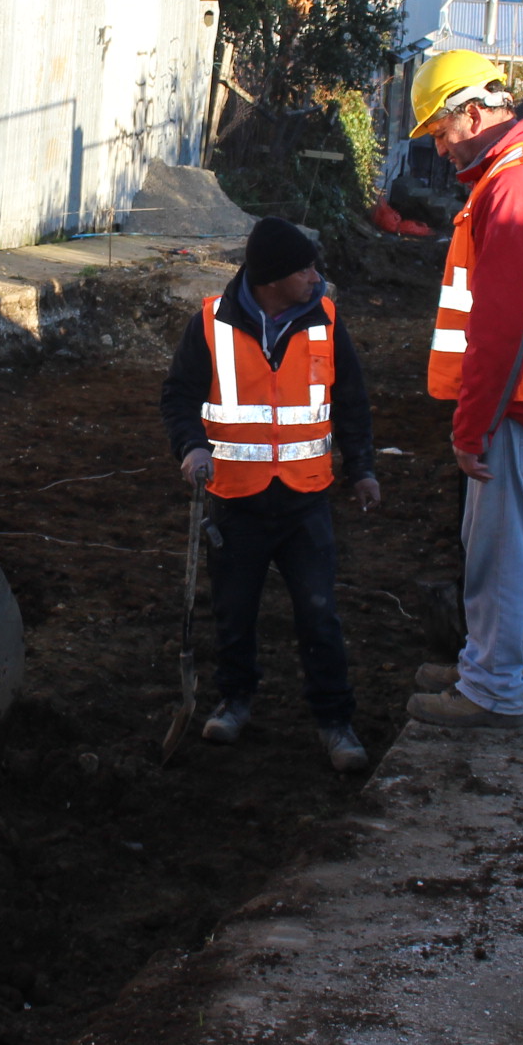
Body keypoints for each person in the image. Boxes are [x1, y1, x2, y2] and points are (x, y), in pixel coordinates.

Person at [401, 50, 523, 730]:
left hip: (520, 404)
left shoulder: (514, 187)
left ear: (476, 113)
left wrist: (470, 424)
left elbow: (502, 326)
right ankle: (480, 661)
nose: (438, 145)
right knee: (496, 541)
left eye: (440, 129)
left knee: (499, 549)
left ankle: (491, 688)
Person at [159, 217, 382, 774]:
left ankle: (335, 721)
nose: (316, 276)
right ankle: (234, 700)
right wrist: (191, 447)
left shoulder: (326, 320)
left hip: (307, 497)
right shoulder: (209, 324)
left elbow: (351, 401)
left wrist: (362, 469)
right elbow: (179, 395)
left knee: (319, 615)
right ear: (273, 278)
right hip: (236, 498)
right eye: (305, 268)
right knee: (234, 611)